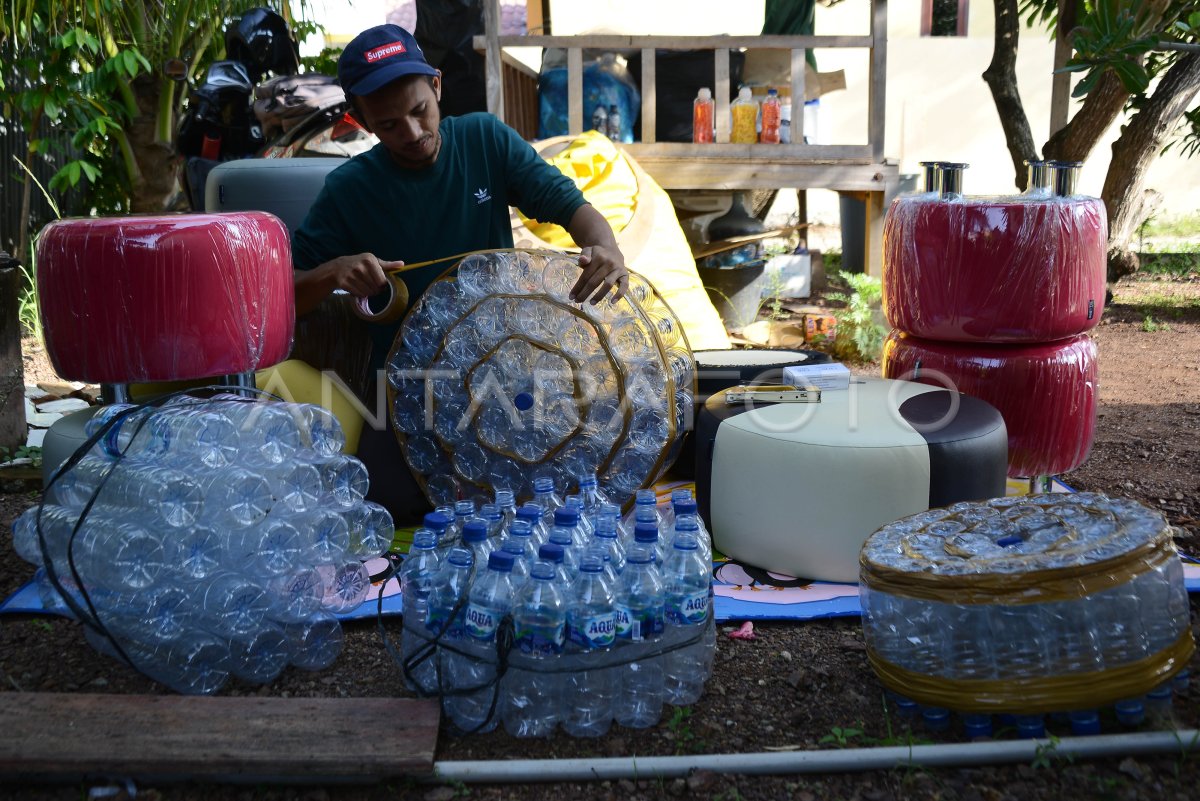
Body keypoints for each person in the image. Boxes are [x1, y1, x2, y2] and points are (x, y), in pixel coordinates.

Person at [290, 23, 629, 521]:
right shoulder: (347, 191)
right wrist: (333, 273)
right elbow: (284, 298)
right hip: (410, 391)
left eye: (419, 110)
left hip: (507, 372)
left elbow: (569, 206)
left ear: (437, 85)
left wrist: (606, 249)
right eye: (388, 125)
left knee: (565, 490)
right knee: (389, 506)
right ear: (360, 122)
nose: (412, 133)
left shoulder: (483, 140)